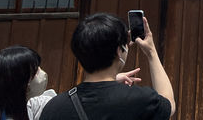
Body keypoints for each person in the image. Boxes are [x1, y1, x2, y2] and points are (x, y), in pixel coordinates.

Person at [40, 13, 175, 120]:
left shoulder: (53, 108)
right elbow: (169, 104)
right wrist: (151, 53)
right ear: (118, 51)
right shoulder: (140, 100)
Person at [0, 45, 141, 120]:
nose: (42, 73)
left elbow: (72, 101)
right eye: (35, 71)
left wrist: (107, 81)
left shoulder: (36, 106)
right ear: (22, 82)